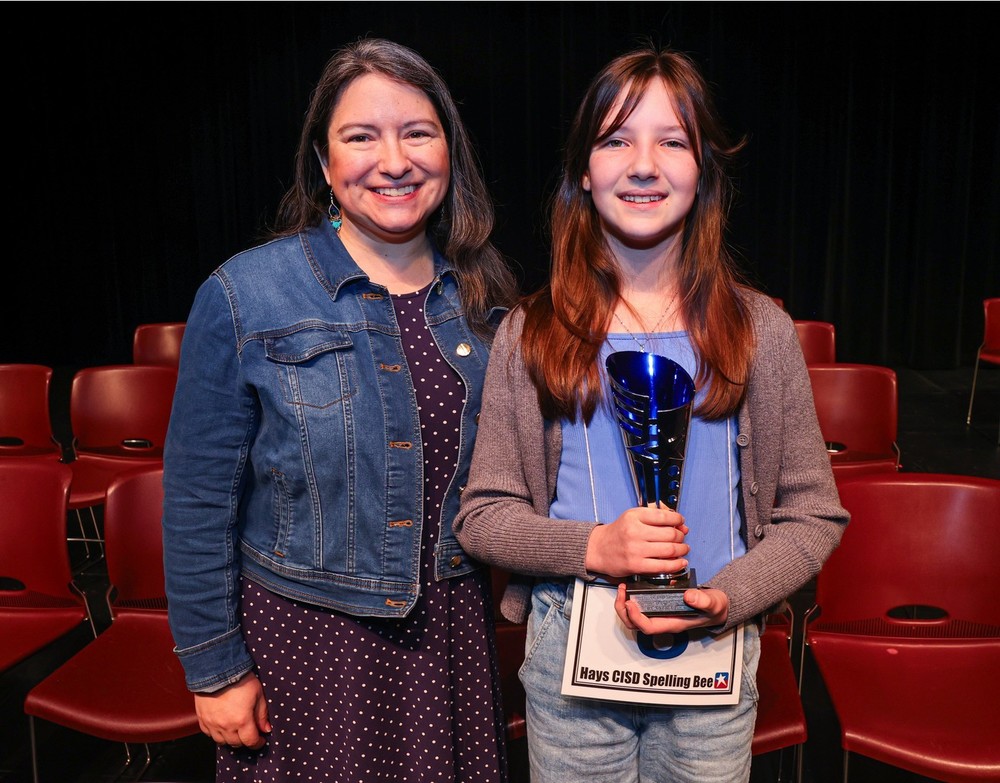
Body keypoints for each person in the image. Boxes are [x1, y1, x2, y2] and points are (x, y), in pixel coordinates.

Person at [453, 44, 848, 783]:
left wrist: (727, 597)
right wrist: (595, 547)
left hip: (713, 649)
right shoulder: (528, 332)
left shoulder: (759, 331)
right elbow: (484, 516)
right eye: (616, 140)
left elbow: (812, 515)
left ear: (703, 174)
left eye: (672, 141)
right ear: (582, 170)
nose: (643, 164)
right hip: (573, 646)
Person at [162, 37, 519, 783]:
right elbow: (198, 503)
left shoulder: (486, 305)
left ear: (449, 152)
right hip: (307, 652)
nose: (394, 160)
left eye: (417, 133)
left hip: (448, 644)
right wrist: (215, 669)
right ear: (325, 163)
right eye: (361, 137)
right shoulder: (243, 295)